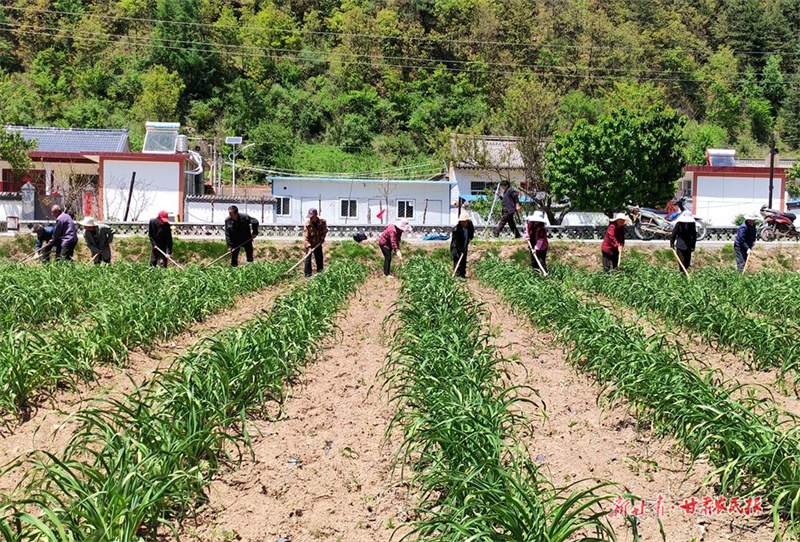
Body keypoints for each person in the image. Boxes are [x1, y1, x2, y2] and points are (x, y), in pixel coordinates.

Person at [670, 210, 697, 275]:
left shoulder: (692, 224)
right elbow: (674, 234)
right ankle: (682, 274)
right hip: (680, 245)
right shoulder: (679, 223)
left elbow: (694, 235)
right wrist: (672, 243)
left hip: (688, 246)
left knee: (687, 262)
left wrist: (693, 245)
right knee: (682, 262)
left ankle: (684, 275)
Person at [303, 208, 328, 278]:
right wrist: (309, 247)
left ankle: (320, 274)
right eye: (309, 217)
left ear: (316, 215)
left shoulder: (322, 222)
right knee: (308, 259)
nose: (310, 218)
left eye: (312, 216)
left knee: (319, 258)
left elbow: (324, 231)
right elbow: (305, 238)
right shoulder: (307, 224)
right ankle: (307, 275)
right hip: (309, 243)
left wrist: (322, 239)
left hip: (318, 243)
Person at [450, 211, 475, 278]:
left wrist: (470, 238)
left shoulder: (469, 224)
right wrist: (460, 249)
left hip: (465, 244)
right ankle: (457, 275)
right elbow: (456, 241)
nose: (462, 223)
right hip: (456, 246)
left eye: (464, 221)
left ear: (467, 220)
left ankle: (463, 274)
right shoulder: (456, 229)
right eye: (461, 221)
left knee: (463, 259)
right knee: (457, 259)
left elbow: (472, 232)